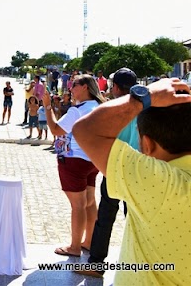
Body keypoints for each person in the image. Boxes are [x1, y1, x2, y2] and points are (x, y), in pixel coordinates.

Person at [72, 78, 191, 285]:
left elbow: (85, 130)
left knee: (106, 218)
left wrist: (145, 96)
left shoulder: (165, 184)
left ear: (146, 145)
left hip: (124, 173)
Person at [76, 68, 138, 279]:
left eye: (112, 86)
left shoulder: (112, 108)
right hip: (140, 170)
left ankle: (96, 263)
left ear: (117, 87)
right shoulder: (144, 107)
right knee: (135, 219)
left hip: (115, 168)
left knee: (105, 217)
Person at [42, 74, 105, 258]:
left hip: (74, 158)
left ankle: (75, 247)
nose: (70, 87)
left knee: (78, 205)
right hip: (92, 159)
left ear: (85, 87)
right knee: (90, 201)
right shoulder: (99, 106)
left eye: (74, 84)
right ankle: (88, 241)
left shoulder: (77, 111)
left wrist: (47, 106)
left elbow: (55, 130)